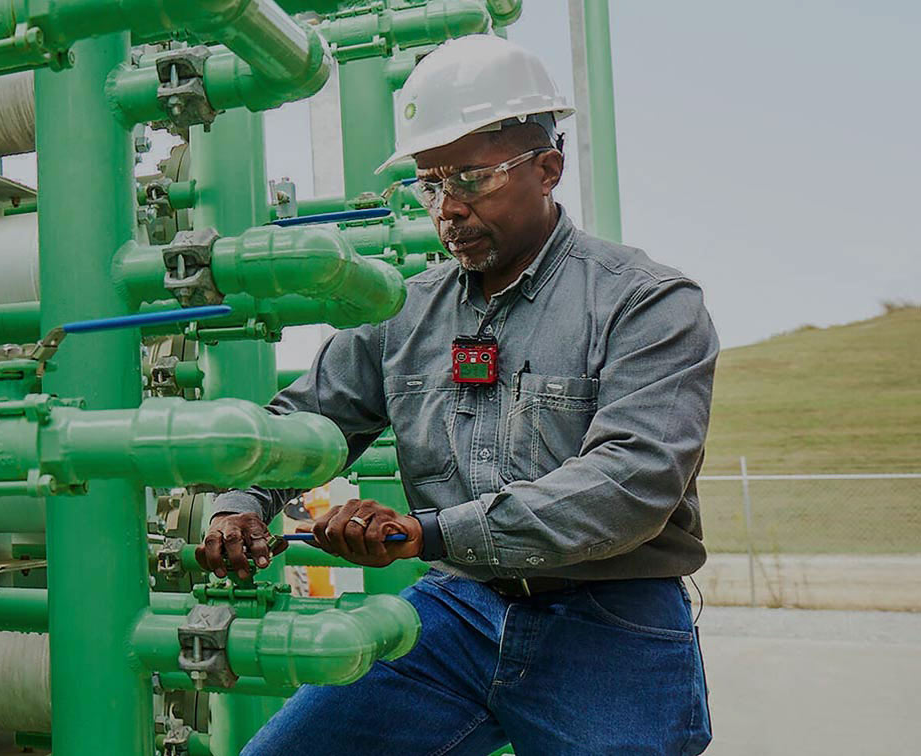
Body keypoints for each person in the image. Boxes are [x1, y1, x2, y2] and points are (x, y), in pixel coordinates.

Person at [199, 34, 715, 756]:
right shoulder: (401, 313)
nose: (447, 209)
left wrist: (427, 533)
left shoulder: (646, 303)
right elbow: (308, 415)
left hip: (609, 617)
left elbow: (632, 482)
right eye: (429, 183)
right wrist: (240, 502)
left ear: (547, 169)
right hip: (459, 609)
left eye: (469, 179)